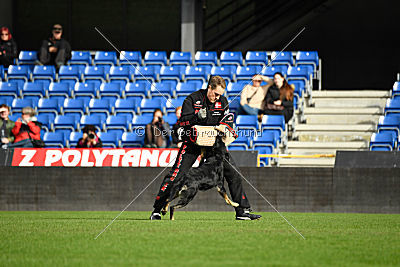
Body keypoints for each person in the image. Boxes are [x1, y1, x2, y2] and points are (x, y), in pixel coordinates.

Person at [150, 76, 261, 221]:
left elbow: (227, 121)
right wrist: (197, 117)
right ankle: (157, 209)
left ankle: (242, 211)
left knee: (233, 173)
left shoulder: (223, 102)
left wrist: (228, 128)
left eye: (220, 95)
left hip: (214, 145)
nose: (217, 98)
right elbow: (182, 122)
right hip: (192, 143)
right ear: (209, 87)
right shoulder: (192, 99)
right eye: (215, 94)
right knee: (176, 176)